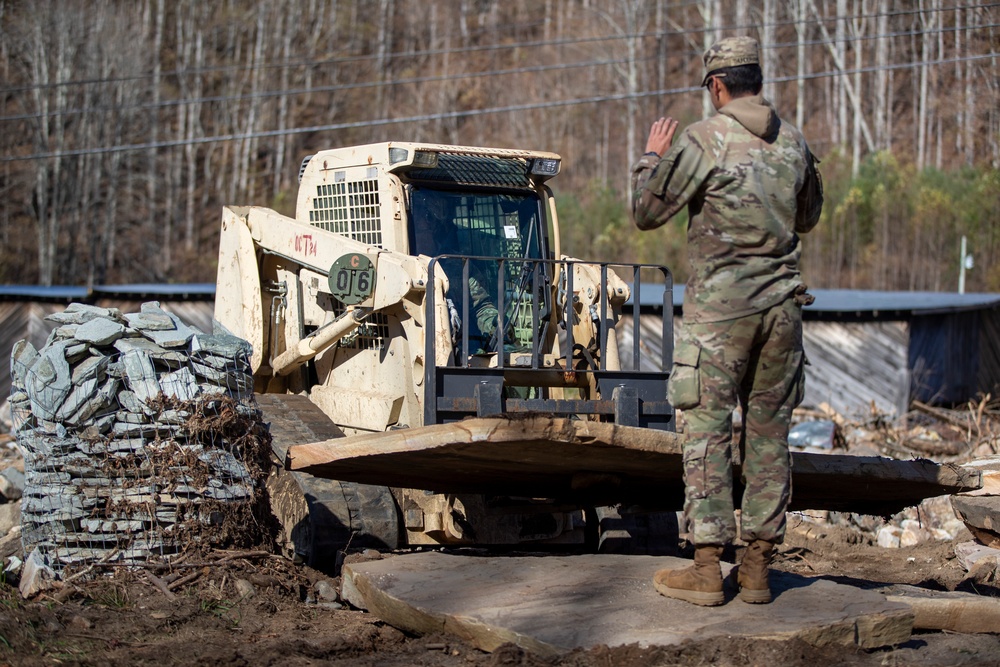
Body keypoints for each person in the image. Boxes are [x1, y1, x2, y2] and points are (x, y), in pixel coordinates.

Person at [629, 36, 823, 606]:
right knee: (769, 438)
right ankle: (758, 571)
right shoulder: (795, 142)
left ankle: (709, 571)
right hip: (783, 312)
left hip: (720, 316)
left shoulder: (702, 138)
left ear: (717, 87)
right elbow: (808, 216)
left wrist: (651, 158)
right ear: (756, 80)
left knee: (707, 431)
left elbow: (646, 212)